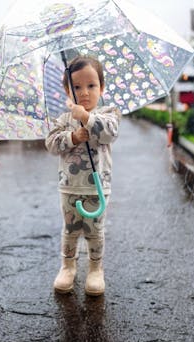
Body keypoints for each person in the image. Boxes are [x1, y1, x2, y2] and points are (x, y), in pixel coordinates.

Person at [45, 55, 121, 296]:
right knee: (70, 230)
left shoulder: (108, 114)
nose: (84, 92)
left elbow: (109, 133)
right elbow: (52, 144)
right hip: (69, 187)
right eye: (76, 87)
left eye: (91, 85)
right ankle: (68, 266)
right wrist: (72, 137)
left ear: (102, 87)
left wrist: (87, 118)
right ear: (67, 90)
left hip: (97, 188)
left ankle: (95, 270)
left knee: (95, 231)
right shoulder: (63, 120)